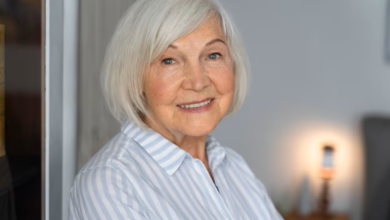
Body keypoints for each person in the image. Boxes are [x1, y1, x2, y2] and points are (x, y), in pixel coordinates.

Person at [69, 0, 283, 219]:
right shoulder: (110, 184)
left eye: (213, 55)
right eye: (169, 60)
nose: (198, 82)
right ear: (135, 75)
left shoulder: (233, 167)